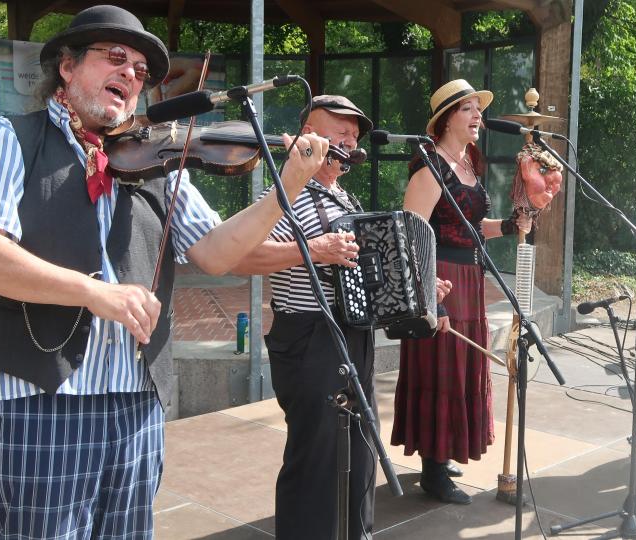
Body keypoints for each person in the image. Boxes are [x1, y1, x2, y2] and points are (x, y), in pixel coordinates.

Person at [0, 6, 327, 539]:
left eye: (140, 72)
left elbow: (215, 253)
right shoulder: (7, 137)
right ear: (67, 67)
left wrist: (289, 188)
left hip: (136, 400)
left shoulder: (157, 159)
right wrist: (93, 293)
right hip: (40, 399)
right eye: (115, 59)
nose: (131, 76)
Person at [390, 79, 557, 504]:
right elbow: (411, 235)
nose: (478, 116)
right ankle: (432, 469)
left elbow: (469, 227)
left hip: (469, 276)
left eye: (477, 109)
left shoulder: (467, 164)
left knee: (461, 364)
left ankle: (442, 452)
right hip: (441, 277)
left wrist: (508, 226)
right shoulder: (431, 167)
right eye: (468, 109)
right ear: (446, 119)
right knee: (440, 364)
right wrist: (428, 294)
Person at [230, 95, 382, 540]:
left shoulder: (342, 194)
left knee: (360, 450)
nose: (350, 139)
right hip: (308, 337)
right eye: (340, 130)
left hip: (352, 334)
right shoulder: (283, 192)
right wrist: (312, 250)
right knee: (314, 459)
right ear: (309, 133)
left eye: (355, 133)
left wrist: (413, 289)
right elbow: (242, 256)